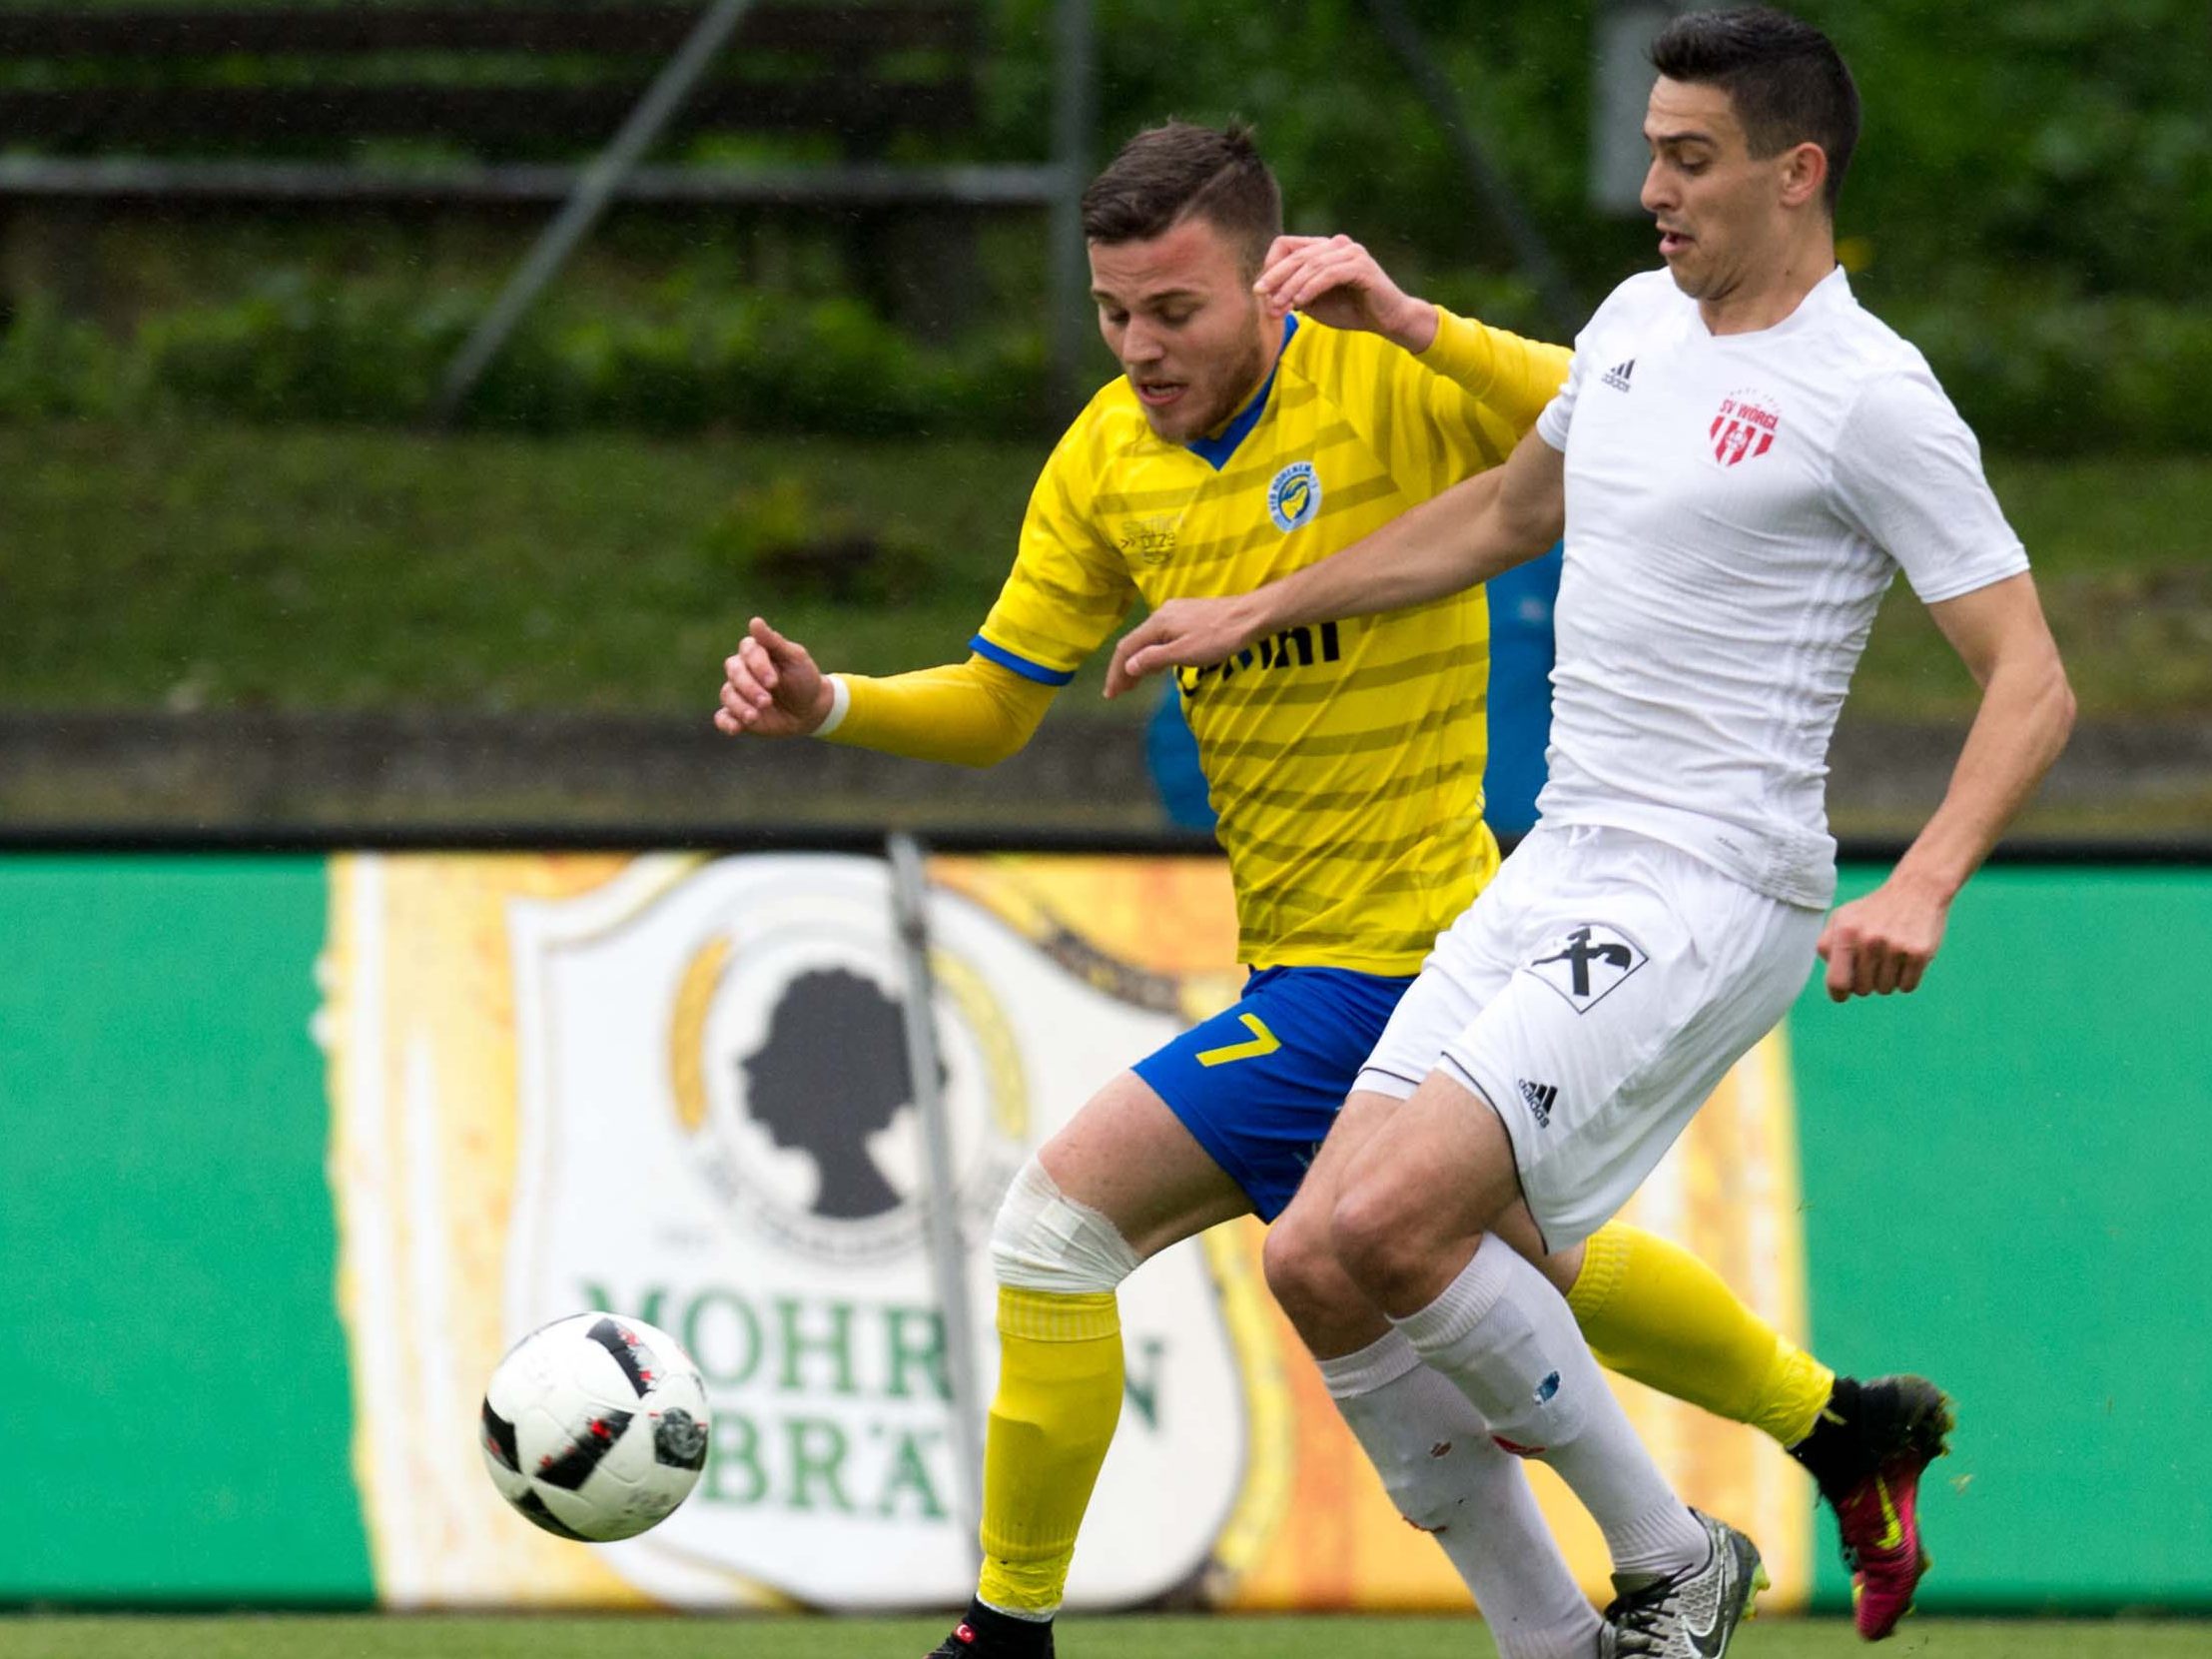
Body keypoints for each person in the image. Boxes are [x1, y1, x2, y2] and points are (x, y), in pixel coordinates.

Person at [720, 122, 1943, 1659]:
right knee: (1469, 1256)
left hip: (1416, 949)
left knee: (1056, 1230)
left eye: (1178, 310)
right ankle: (1824, 1434)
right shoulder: (1105, 460)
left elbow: (1619, 411)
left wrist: (1416, 314)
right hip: (1300, 958)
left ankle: (1005, 1630)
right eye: (1114, 312)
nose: (1142, 346)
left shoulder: (1373, 375)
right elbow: (992, 698)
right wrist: (834, 703)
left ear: (1268, 287)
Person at [1107, 12, 2074, 1654]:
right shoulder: (1632, 324)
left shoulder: (1872, 394)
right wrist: (1260, 605)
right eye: (1651, 153)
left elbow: (2031, 679)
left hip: (1709, 887)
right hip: (1558, 861)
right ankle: (1556, 1637)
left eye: (1690, 159)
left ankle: (1673, 1555)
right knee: (1319, 1264)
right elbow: (1502, 513)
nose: (1653, 190)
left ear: (1798, 170)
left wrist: (1922, 877)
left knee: (1397, 1223)